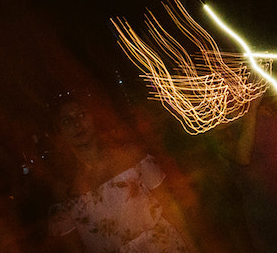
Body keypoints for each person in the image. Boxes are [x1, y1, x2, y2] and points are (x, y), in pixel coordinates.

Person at [47, 94, 199, 253]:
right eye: (67, 120)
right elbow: (72, 248)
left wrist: (193, 247)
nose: (77, 124)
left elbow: (171, 208)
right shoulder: (64, 190)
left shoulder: (132, 157)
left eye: (81, 114)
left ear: (93, 118)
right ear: (59, 133)